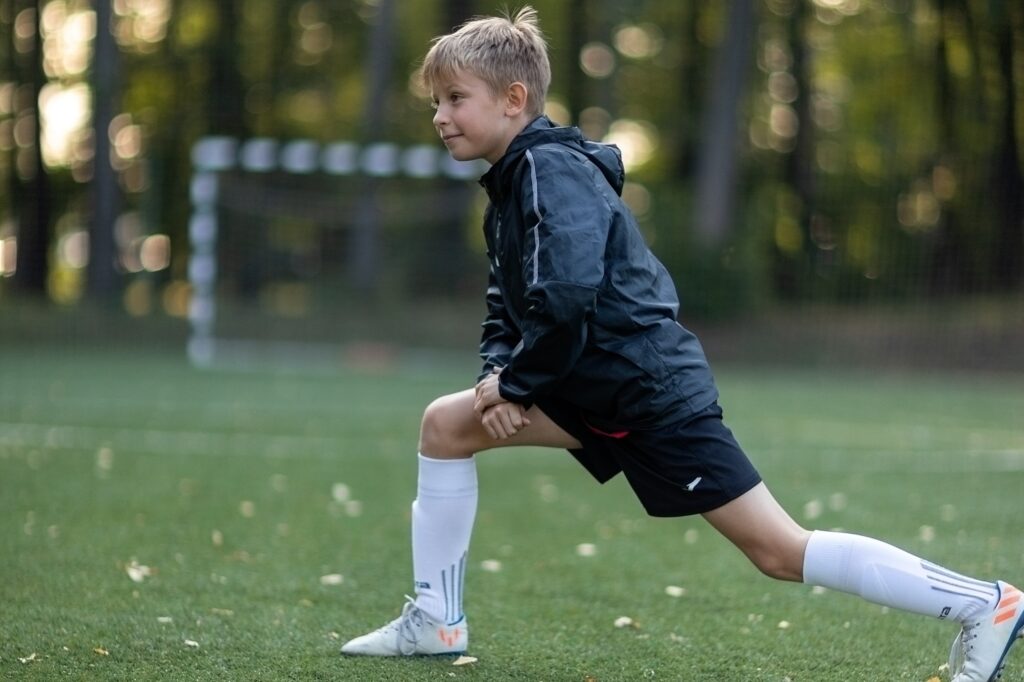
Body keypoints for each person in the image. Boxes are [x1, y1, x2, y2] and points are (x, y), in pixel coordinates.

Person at [340, 7, 1023, 680]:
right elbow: (509, 303)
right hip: (589, 387)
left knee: (779, 551)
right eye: (437, 101)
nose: (440, 116)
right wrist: (499, 372)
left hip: (645, 393)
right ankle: (438, 619)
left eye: (455, 99)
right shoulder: (512, 184)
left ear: (514, 99)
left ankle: (985, 605)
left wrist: (517, 385)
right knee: (445, 425)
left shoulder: (550, 171)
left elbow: (571, 294)